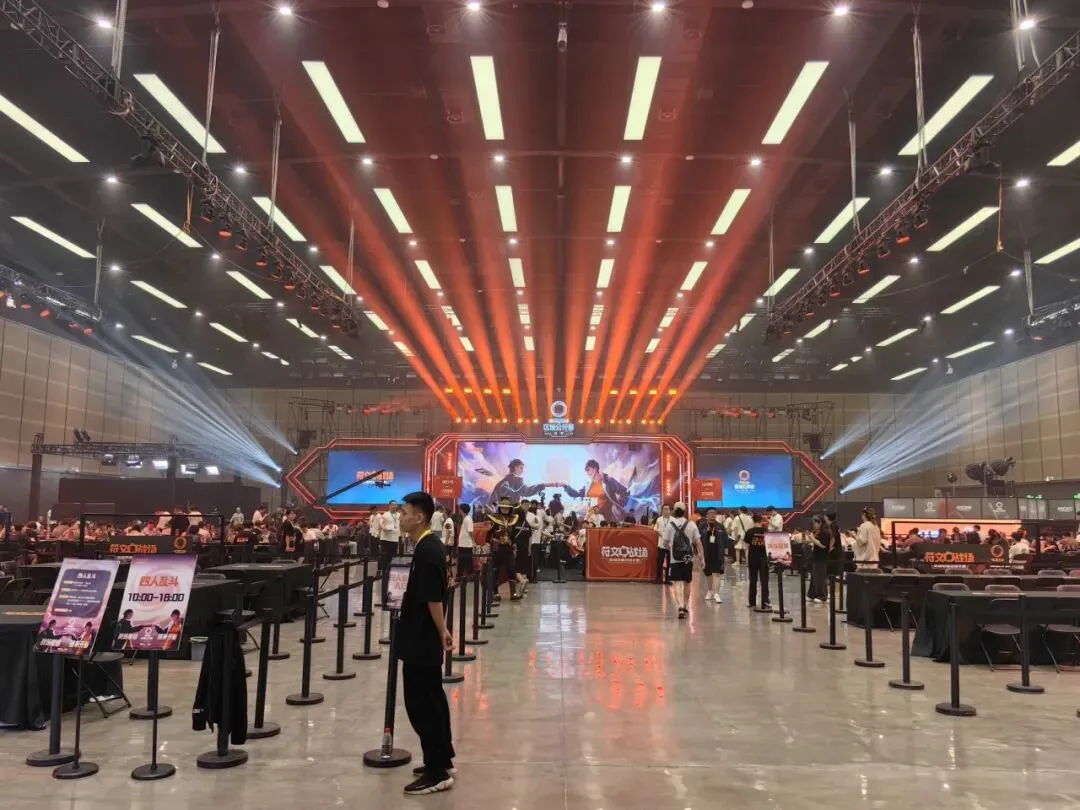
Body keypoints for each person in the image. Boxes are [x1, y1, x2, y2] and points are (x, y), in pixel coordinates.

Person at [396, 491, 455, 795]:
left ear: (419, 517)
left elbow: (434, 598)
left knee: (422, 704)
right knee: (433, 698)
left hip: (422, 638)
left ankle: (436, 772)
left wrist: (442, 630)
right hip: (421, 635)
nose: (401, 517)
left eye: (405, 513)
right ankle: (442, 758)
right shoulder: (427, 547)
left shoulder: (429, 550)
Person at [661, 503, 702, 619]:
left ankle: (680, 606)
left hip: (675, 559)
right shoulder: (691, 524)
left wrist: (671, 548)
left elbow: (664, 543)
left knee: (677, 583)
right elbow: (698, 542)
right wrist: (701, 557)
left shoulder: (670, 525)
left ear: (674, 511)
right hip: (688, 559)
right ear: (685, 512)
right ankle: (685, 605)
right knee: (687, 582)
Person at [563, 459, 632, 524]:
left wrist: (617, 506)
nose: (587, 473)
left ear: (595, 469)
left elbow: (625, 492)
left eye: (588, 469)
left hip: (607, 518)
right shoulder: (588, 484)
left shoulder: (608, 481)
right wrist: (565, 486)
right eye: (586, 471)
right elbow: (577, 494)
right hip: (592, 517)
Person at [697, 508, 728, 603]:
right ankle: (710, 591)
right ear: (706, 515)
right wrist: (699, 553)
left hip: (718, 553)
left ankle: (717, 593)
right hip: (706, 554)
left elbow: (725, 539)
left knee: (717, 573)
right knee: (708, 574)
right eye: (710, 513)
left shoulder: (720, 526)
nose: (712, 515)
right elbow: (697, 540)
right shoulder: (702, 526)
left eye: (714, 513)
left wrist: (725, 552)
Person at [744, 514, 770, 610]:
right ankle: (765, 601)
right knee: (764, 580)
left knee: (753, 580)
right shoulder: (766, 532)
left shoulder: (749, 531)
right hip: (764, 558)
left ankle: (752, 602)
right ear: (761, 521)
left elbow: (746, 546)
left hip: (752, 558)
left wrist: (746, 559)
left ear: (753, 521)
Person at [807, 515, 829, 603]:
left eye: (815, 523)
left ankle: (822, 596)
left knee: (820, 577)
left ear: (820, 523)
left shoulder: (825, 533)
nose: (814, 525)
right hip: (816, 556)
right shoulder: (817, 532)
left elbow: (823, 545)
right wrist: (811, 539)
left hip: (822, 557)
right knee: (814, 576)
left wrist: (812, 539)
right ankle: (812, 594)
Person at [654, 505, 672, 585]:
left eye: (668, 509)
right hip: (661, 544)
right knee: (659, 562)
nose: (666, 511)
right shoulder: (659, 519)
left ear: (670, 510)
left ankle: (668, 579)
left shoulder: (673, 520)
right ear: (662, 510)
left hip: (670, 545)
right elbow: (655, 529)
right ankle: (658, 578)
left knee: (669, 563)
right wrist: (662, 535)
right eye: (665, 509)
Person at [457, 503, 474, 575]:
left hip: (466, 545)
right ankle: (461, 575)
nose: (459, 511)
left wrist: (473, 541)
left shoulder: (468, 519)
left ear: (462, 510)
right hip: (463, 544)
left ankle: (467, 575)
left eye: (460, 509)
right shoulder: (466, 518)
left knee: (466, 561)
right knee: (463, 561)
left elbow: (470, 531)